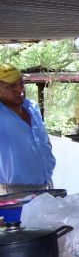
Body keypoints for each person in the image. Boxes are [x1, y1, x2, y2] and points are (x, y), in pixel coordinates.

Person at [0, 64, 56, 195]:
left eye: (21, 83)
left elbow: (44, 142)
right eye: (12, 86)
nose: (20, 89)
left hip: (46, 185)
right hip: (13, 191)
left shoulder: (32, 107)